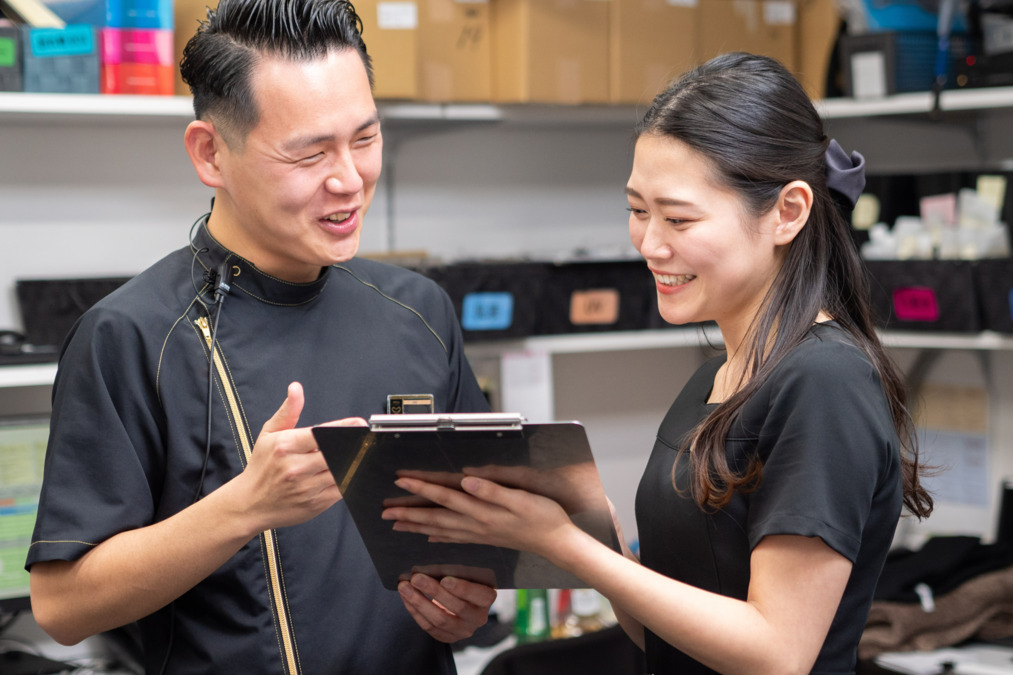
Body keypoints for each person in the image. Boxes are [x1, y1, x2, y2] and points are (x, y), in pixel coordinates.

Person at [382, 52, 934, 674]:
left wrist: (566, 546)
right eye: (638, 211)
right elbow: (665, 638)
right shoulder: (714, 380)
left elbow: (778, 654)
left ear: (788, 212)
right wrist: (593, 530)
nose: (649, 244)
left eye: (678, 218)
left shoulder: (825, 381)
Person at [26, 0, 496, 672]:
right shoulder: (130, 335)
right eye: (308, 152)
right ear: (210, 152)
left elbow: (470, 533)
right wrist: (243, 507)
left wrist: (465, 599)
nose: (347, 178)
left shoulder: (419, 309)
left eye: (364, 139)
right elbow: (62, 605)